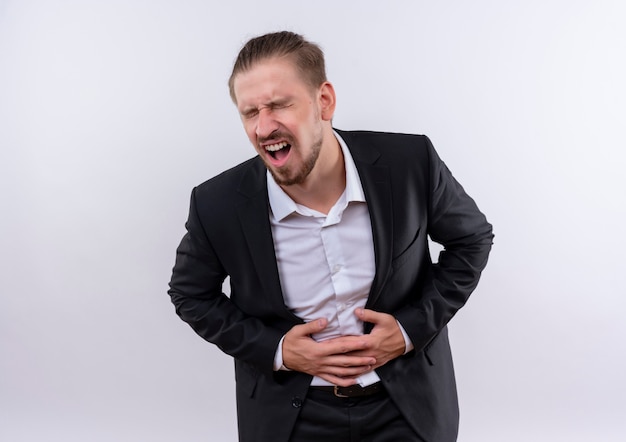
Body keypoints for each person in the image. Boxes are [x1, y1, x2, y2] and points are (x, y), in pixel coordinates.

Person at [168, 31, 493, 442]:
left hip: (409, 410)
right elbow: (190, 294)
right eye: (250, 112)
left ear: (324, 101)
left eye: (278, 105)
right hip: (290, 420)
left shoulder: (410, 164)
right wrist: (279, 350)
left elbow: (472, 240)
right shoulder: (215, 203)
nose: (264, 127)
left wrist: (410, 330)